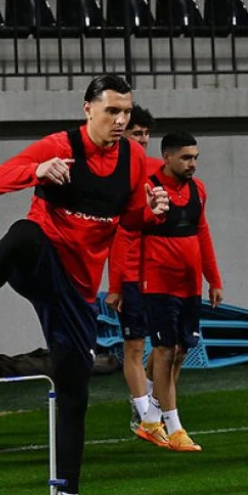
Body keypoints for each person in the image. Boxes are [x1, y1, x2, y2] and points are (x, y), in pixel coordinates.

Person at [0, 75, 169, 495]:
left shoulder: (133, 158)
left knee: (75, 393)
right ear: (87, 109)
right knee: (24, 232)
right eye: (112, 111)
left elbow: (131, 218)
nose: (120, 120)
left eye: (126, 112)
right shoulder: (59, 145)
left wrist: (152, 210)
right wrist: (36, 171)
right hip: (41, 261)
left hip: (78, 290)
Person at [135, 132, 223, 452]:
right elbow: (130, 232)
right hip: (158, 283)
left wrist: (214, 279)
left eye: (195, 157)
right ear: (167, 157)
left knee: (180, 351)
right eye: (186, 158)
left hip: (190, 286)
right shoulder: (148, 189)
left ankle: (149, 420)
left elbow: (203, 233)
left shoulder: (198, 190)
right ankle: (174, 428)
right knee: (164, 351)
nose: (192, 163)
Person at [107, 104, 164, 431]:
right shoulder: (114, 175)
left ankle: (148, 401)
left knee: (170, 347)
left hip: (161, 272)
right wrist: (115, 284)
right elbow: (116, 234)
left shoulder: (160, 170)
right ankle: (145, 415)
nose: (142, 139)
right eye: (135, 133)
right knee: (135, 345)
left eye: (145, 134)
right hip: (130, 273)